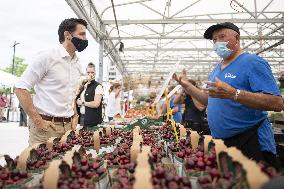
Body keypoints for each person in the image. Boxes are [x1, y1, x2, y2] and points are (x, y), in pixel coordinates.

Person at [173, 22, 284, 166]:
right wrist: (186, 85)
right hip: (223, 143)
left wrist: (234, 93)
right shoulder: (217, 69)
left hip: (250, 141)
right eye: (214, 40)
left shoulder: (253, 62)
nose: (217, 42)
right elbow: (208, 100)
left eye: (222, 36)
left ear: (237, 38)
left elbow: (277, 103)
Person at [15, 18, 88, 146]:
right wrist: (38, 121)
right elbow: (20, 88)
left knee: (66, 165)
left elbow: (71, 94)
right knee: (42, 165)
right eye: (82, 34)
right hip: (46, 129)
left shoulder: (77, 63)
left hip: (69, 128)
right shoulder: (47, 57)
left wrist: (75, 114)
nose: (85, 39)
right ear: (67, 35)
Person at [76, 63, 103, 127]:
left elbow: (96, 104)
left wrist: (82, 103)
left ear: (95, 73)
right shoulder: (84, 86)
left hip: (92, 120)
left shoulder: (98, 86)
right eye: (88, 72)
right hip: (82, 118)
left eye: (92, 72)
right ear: (86, 73)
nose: (90, 74)